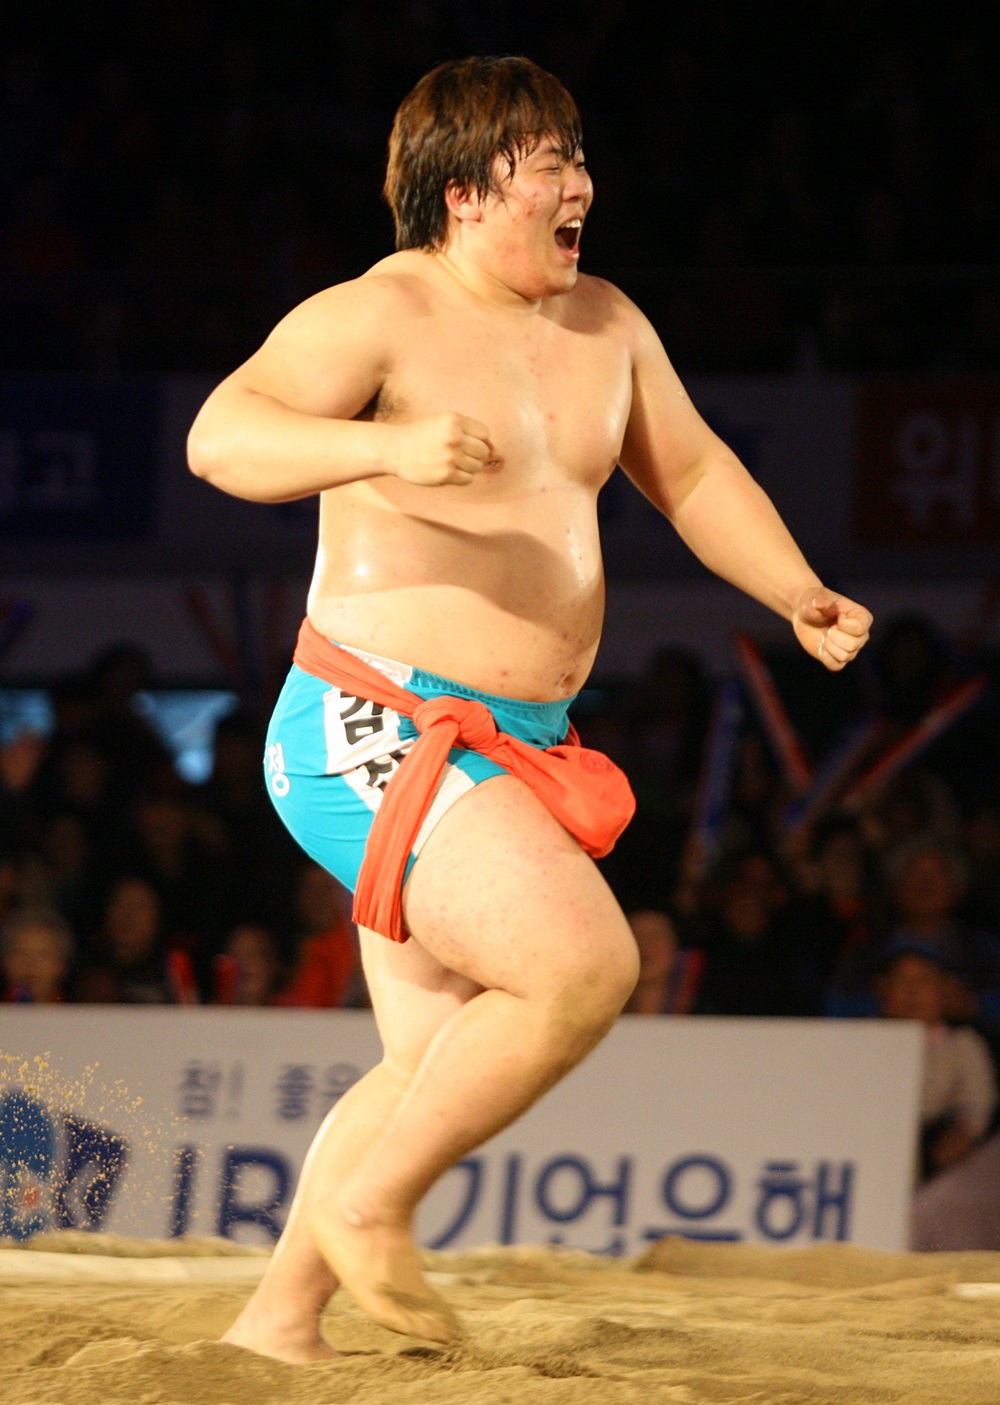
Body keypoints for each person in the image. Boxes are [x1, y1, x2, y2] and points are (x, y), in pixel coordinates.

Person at [187, 55, 872, 1360]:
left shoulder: (607, 324)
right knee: (582, 966)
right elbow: (221, 439)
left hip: (513, 744)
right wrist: (384, 445)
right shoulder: (381, 312)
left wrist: (796, 590)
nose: (582, 188)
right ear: (464, 191)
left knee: (429, 1058)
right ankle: (371, 1207)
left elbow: (692, 472)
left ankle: (276, 1324)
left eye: (580, 160)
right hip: (374, 723)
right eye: (551, 165)